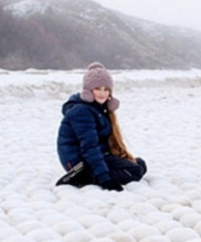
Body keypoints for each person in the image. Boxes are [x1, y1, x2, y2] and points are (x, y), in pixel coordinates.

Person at [56, 62, 147, 191]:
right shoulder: (81, 111)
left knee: (140, 164)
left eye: (106, 89)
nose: (102, 93)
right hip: (79, 162)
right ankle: (87, 177)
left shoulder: (99, 109)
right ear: (88, 90)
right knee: (135, 171)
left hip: (96, 155)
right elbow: (89, 147)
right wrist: (105, 179)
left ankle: (95, 173)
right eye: (97, 88)